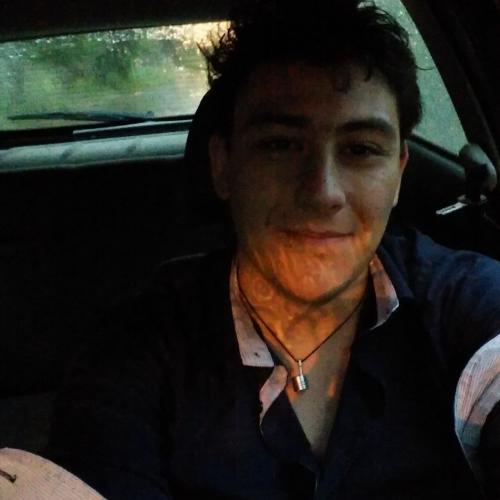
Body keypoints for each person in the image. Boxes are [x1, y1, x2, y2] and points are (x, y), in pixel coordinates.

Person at [47, 1, 500, 499]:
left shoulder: (466, 302)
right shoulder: (134, 354)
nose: (323, 192)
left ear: (398, 173)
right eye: (281, 145)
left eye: (360, 149)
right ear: (223, 166)